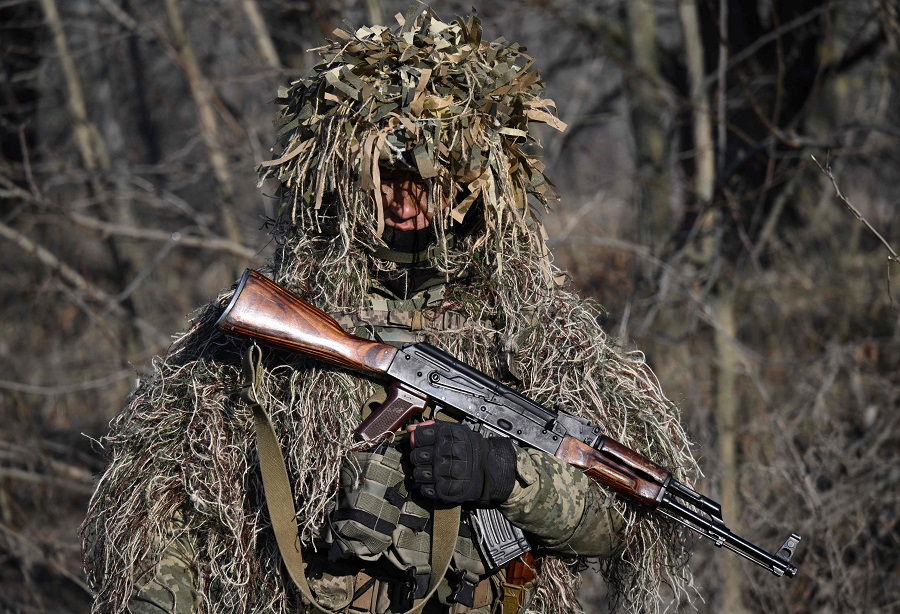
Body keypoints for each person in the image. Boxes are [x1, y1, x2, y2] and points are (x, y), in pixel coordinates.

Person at [82, 10, 696, 614]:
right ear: (346, 175)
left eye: (426, 180)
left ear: (472, 184)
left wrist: (505, 475)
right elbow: (171, 492)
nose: (405, 204)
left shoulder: (535, 329)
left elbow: (618, 530)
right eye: (387, 178)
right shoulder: (291, 311)